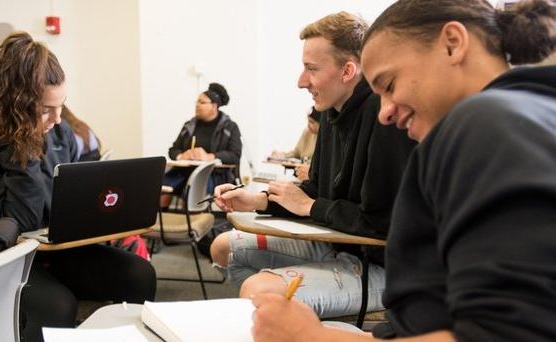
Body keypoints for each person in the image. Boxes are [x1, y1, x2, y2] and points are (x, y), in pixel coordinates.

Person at [251, 0, 556, 341]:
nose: (384, 113)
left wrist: (310, 336)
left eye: (390, 85)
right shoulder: (525, 117)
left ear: (452, 44)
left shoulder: (489, 122)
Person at [0, 32, 156, 342]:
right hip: (2, 260)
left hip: (53, 250)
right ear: (12, 106)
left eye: (61, 106)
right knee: (56, 305)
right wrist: (20, 149)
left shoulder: (58, 130)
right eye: (45, 110)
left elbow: (64, 206)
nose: (58, 120)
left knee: (138, 273)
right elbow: (19, 223)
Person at [210, 12, 416, 318]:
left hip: (386, 266)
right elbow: (314, 190)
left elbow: (385, 222)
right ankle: (286, 323)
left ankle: (293, 322)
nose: (301, 81)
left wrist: (311, 207)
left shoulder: (384, 117)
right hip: (339, 244)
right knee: (223, 246)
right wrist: (258, 200)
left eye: (311, 69)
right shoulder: (332, 111)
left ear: (347, 71)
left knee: (257, 291)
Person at [163, 82, 242, 198]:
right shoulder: (189, 125)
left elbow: (235, 155)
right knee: (159, 188)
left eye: (202, 102)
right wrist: (182, 156)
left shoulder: (230, 127)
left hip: (213, 174)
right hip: (183, 171)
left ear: (214, 106)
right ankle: (162, 215)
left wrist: (209, 157)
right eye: (197, 102)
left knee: (196, 191)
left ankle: (198, 215)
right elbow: (173, 150)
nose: (197, 105)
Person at [268, 105, 322, 181]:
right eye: (308, 121)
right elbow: (296, 153)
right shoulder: (307, 132)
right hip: (300, 173)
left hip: (313, 177)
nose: (308, 125)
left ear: (321, 123)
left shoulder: (326, 138)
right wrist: (282, 155)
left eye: (312, 122)